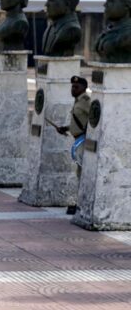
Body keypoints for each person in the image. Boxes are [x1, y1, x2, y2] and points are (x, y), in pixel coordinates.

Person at [57, 75, 92, 213]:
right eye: (72, 86)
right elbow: (79, 120)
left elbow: (95, 119)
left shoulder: (86, 101)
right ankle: (80, 202)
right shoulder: (78, 101)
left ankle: (82, 203)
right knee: (80, 172)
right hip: (78, 138)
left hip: (84, 140)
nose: (73, 89)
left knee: (83, 172)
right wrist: (65, 128)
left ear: (84, 88)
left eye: (76, 87)